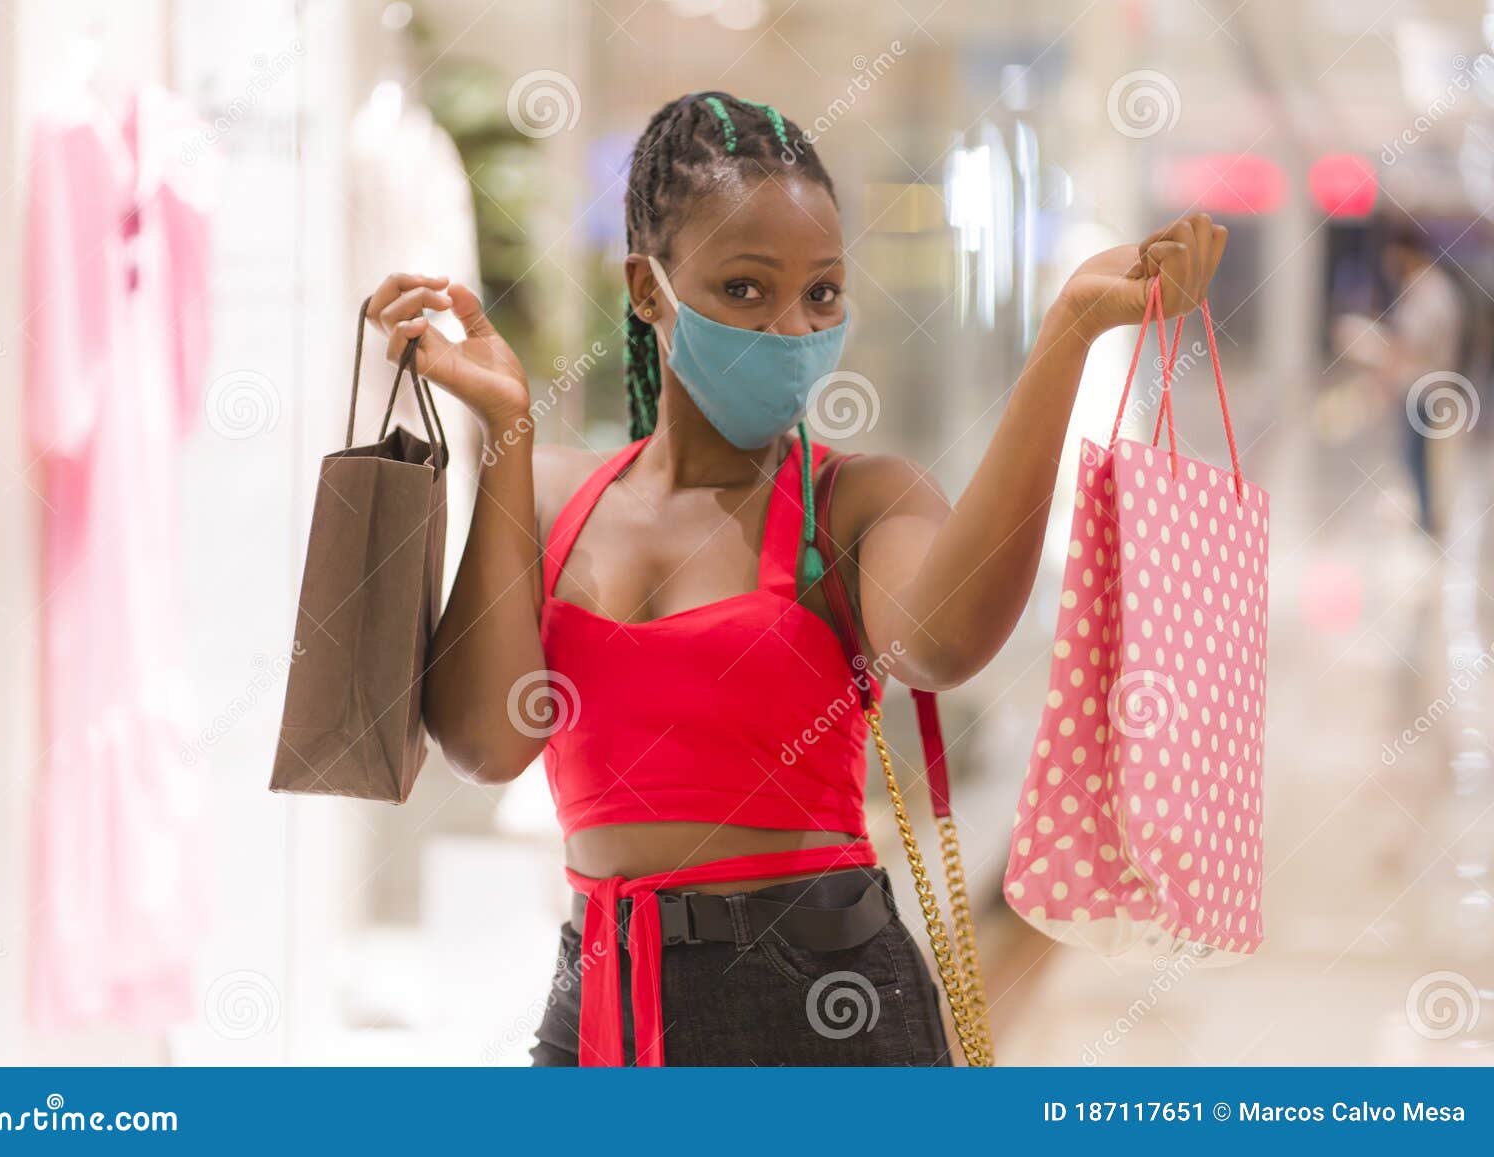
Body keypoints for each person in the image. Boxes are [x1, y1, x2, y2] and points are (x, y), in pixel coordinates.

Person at [364, 92, 1225, 1067]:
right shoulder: (559, 494)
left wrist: (1069, 332)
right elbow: (484, 741)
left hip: (819, 1008)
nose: (790, 326)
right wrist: (506, 434)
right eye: (744, 288)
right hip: (601, 1009)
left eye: (821, 292)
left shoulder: (854, 506)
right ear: (647, 289)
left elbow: (940, 642)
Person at [1380, 221, 1468, 538]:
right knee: (1420, 455)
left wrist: (1386, 370)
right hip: (1432, 383)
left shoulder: (1425, 290)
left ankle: (1428, 520)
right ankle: (1428, 516)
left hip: (1422, 386)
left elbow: (1411, 340)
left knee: (1416, 456)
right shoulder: (1439, 287)